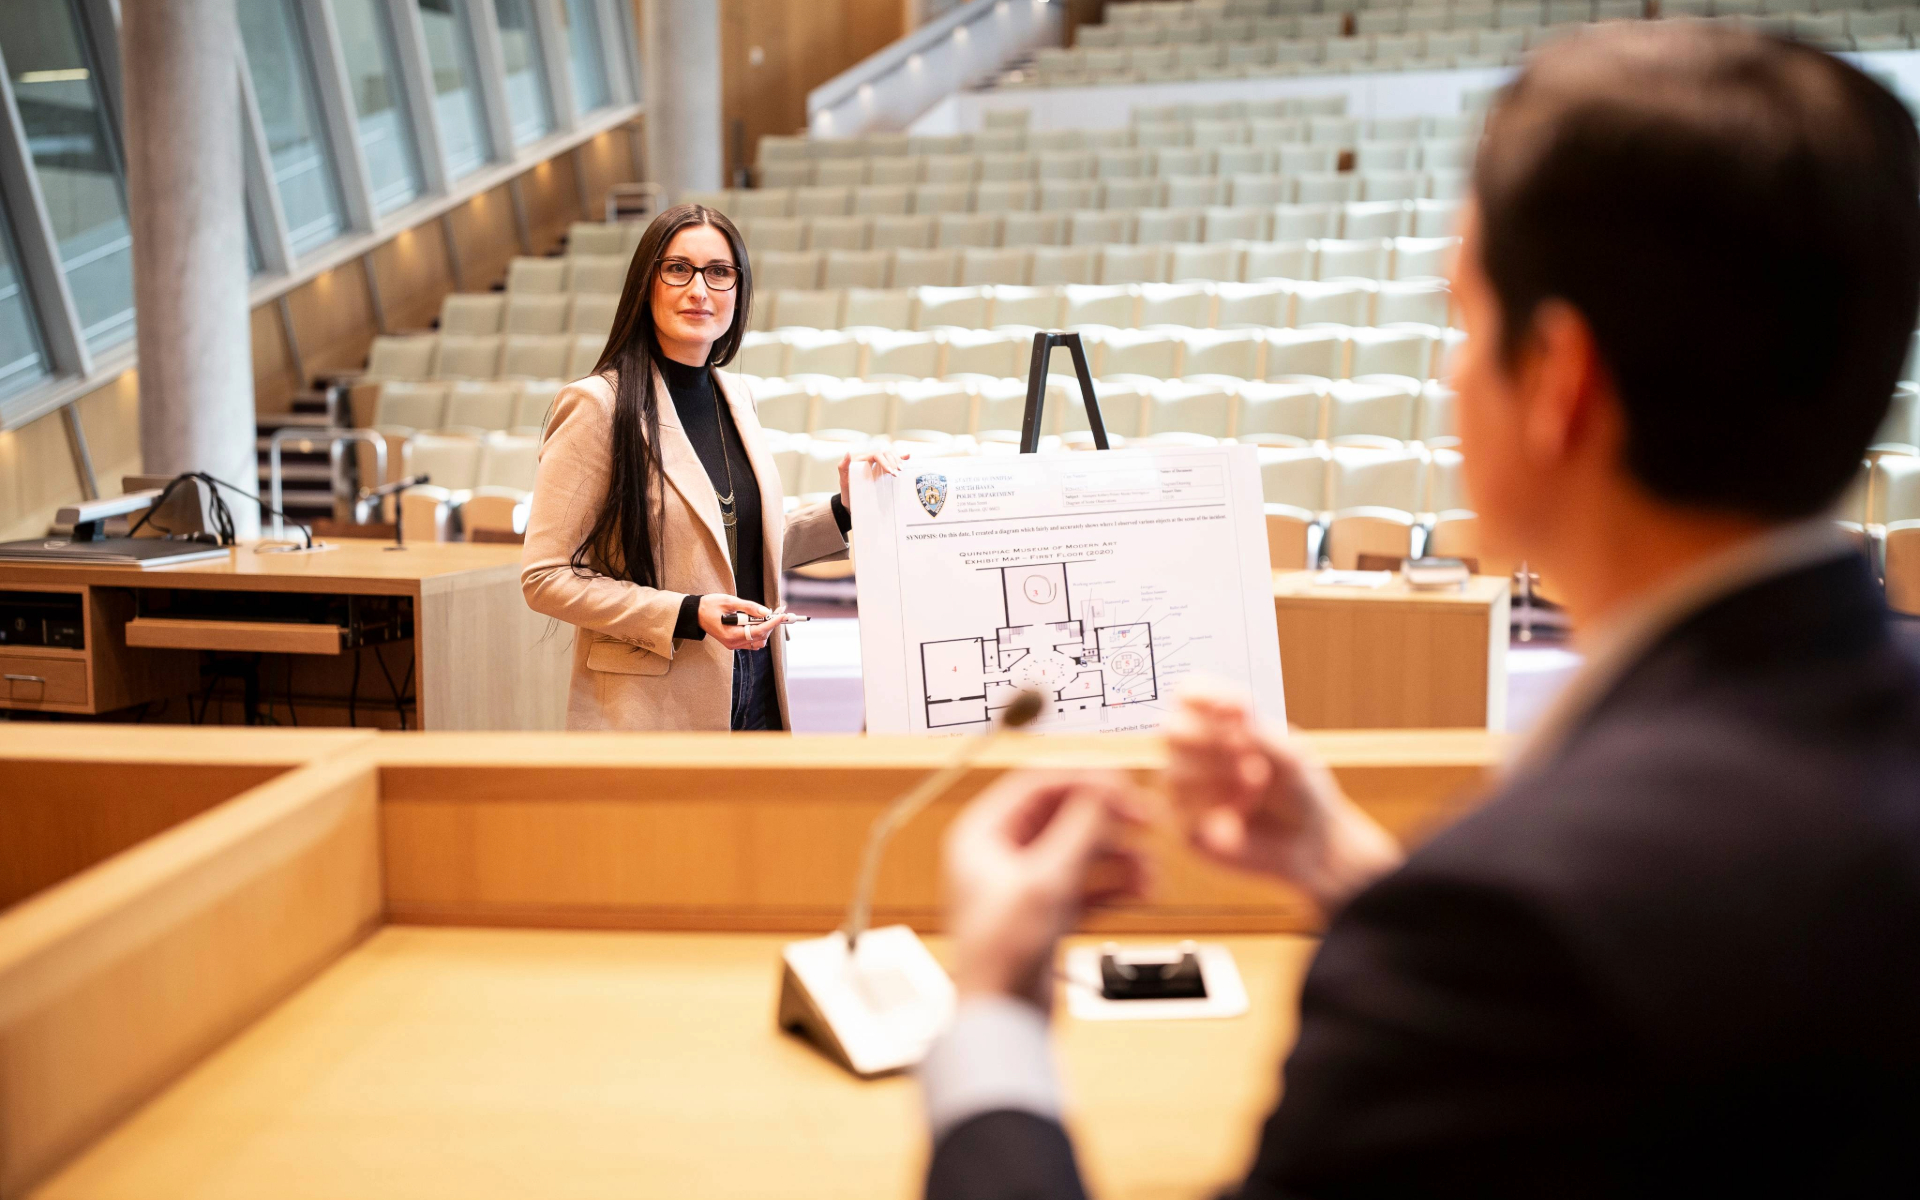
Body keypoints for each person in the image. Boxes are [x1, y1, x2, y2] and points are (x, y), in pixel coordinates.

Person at [921, 24, 1920, 1199]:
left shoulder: (1511, 921)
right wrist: (1352, 867)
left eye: (1463, 318)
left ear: (1560, 383)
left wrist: (992, 1016)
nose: (1449, 375)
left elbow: (1573, 965)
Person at [521, 204, 901, 731]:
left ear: (738, 291)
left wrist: (843, 510)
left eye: (719, 272)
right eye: (678, 269)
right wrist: (684, 613)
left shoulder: (736, 395)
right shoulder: (597, 406)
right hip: (651, 703)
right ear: (645, 284)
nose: (699, 290)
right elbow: (545, 577)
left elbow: (728, 549)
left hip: (759, 680)